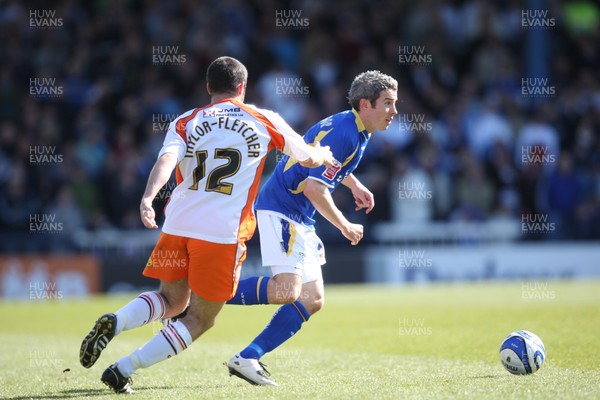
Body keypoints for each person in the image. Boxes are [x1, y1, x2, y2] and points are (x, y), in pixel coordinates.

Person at [78, 56, 334, 393]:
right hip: (221, 233)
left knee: (171, 301)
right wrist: (323, 155)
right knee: (200, 318)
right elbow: (305, 157)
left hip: (178, 225)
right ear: (242, 87)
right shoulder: (263, 119)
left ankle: (119, 320)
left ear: (208, 87)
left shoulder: (187, 120)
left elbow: (166, 160)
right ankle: (123, 369)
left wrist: (147, 197)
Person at [224, 70, 398, 385]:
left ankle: (248, 356)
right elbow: (313, 190)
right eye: (387, 103)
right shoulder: (346, 132)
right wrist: (345, 225)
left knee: (312, 298)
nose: (394, 112)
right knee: (285, 290)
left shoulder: (353, 126)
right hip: (284, 208)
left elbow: (330, 165)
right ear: (365, 104)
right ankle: (206, 291)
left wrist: (354, 185)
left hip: (297, 215)